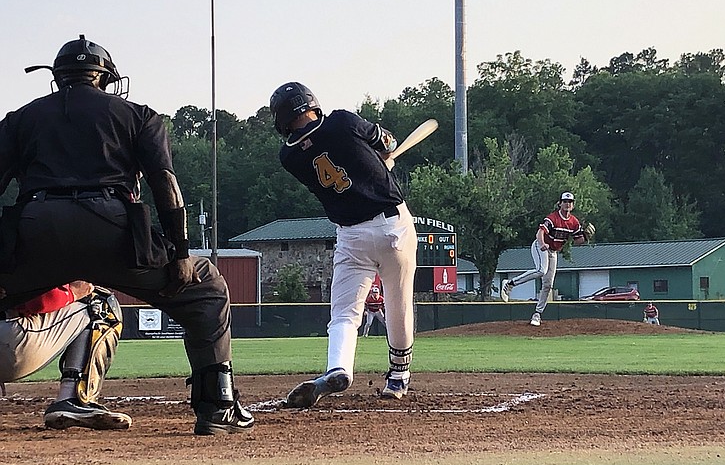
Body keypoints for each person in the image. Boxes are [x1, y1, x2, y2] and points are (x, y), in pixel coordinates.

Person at [0, 35, 253, 435]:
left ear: (58, 77)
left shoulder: (21, 118)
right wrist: (181, 251)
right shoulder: (138, 114)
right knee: (206, 290)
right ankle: (217, 405)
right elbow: (165, 185)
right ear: (103, 77)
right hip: (114, 228)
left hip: (37, 226)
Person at [269, 82, 417, 406]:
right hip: (392, 225)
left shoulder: (289, 157)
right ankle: (398, 376)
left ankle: (338, 367)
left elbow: (337, 161)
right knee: (397, 302)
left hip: (351, 236)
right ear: (310, 103)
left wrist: (373, 163)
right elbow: (387, 140)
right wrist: (383, 156)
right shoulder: (341, 121)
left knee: (344, 314)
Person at [0, 281, 131, 430]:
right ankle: (73, 399)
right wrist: (72, 293)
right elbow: (41, 301)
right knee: (100, 302)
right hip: (8, 340)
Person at [500, 192, 594, 326]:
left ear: (573, 205)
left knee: (548, 285)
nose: (567, 204)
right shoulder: (553, 218)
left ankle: (537, 314)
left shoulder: (574, 222)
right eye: (565, 201)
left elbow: (578, 240)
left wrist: (586, 237)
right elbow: (540, 233)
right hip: (540, 245)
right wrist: (543, 243)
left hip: (553, 251)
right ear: (560, 203)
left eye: (570, 202)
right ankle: (510, 284)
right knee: (541, 270)